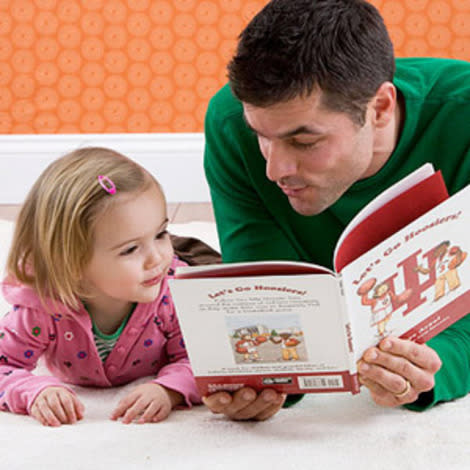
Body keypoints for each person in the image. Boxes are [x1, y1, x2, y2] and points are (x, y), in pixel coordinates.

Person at [203, 0, 470, 420]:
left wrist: (439, 363)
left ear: (379, 108)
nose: (275, 169)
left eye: (304, 141)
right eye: (262, 136)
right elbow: (262, 291)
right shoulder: (228, 121)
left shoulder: (463, 113)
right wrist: (266, 382)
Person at [0, 147, 201, 426]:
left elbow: (203, 360)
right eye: (130, 249)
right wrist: (35, 391)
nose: (157, 258)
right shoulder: (41, 308)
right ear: (72, 265)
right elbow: (4, 365)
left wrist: (168, 390)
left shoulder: (171, 294)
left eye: (161, 234)